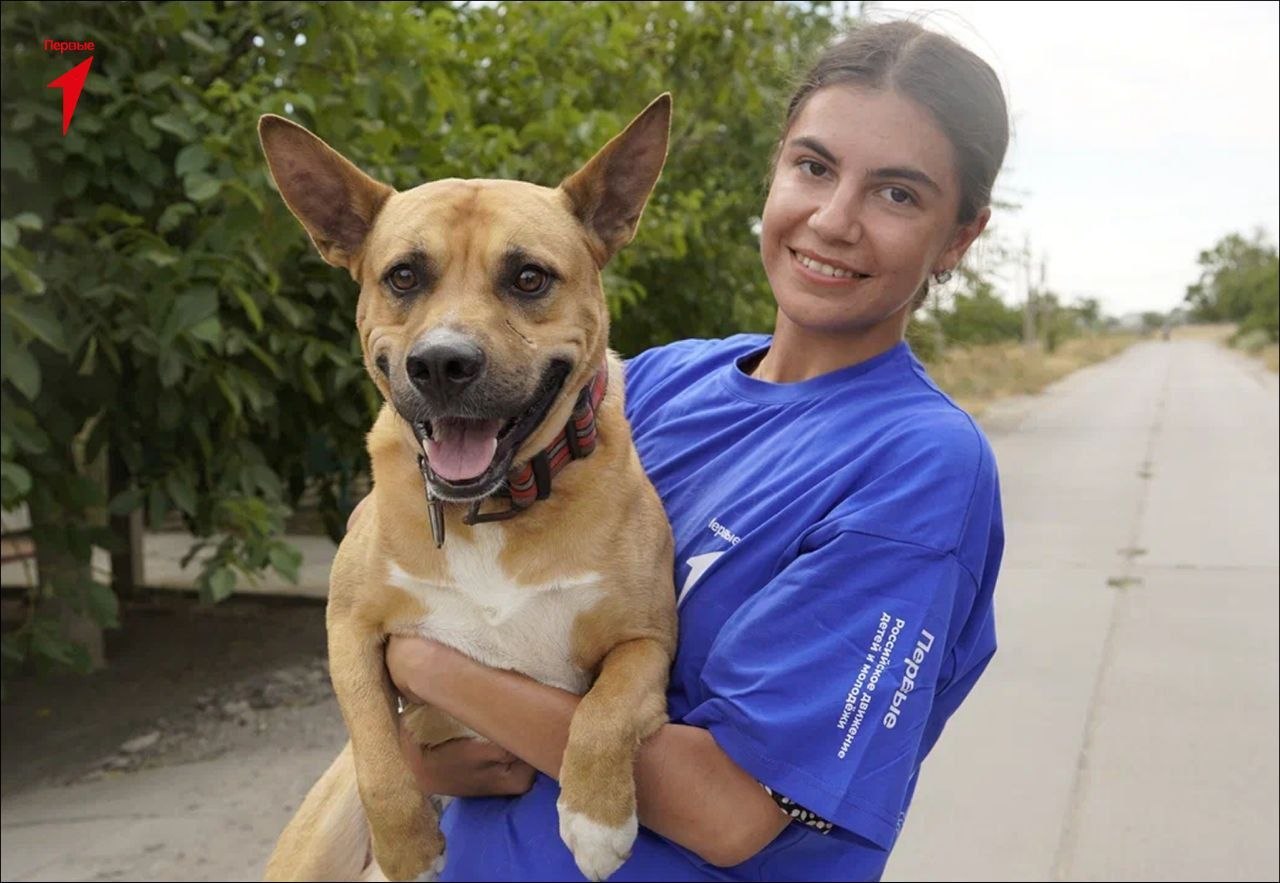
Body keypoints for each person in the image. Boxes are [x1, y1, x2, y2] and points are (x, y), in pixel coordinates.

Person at [379, 18, 1009, 882]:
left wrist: (426, 665)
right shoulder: (656, 384)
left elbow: (728, 811)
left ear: (961, 236)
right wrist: (418, 758)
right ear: (774, 172)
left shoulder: (916, 465)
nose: (833, 220)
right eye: (814, 167)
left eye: (897, 194)